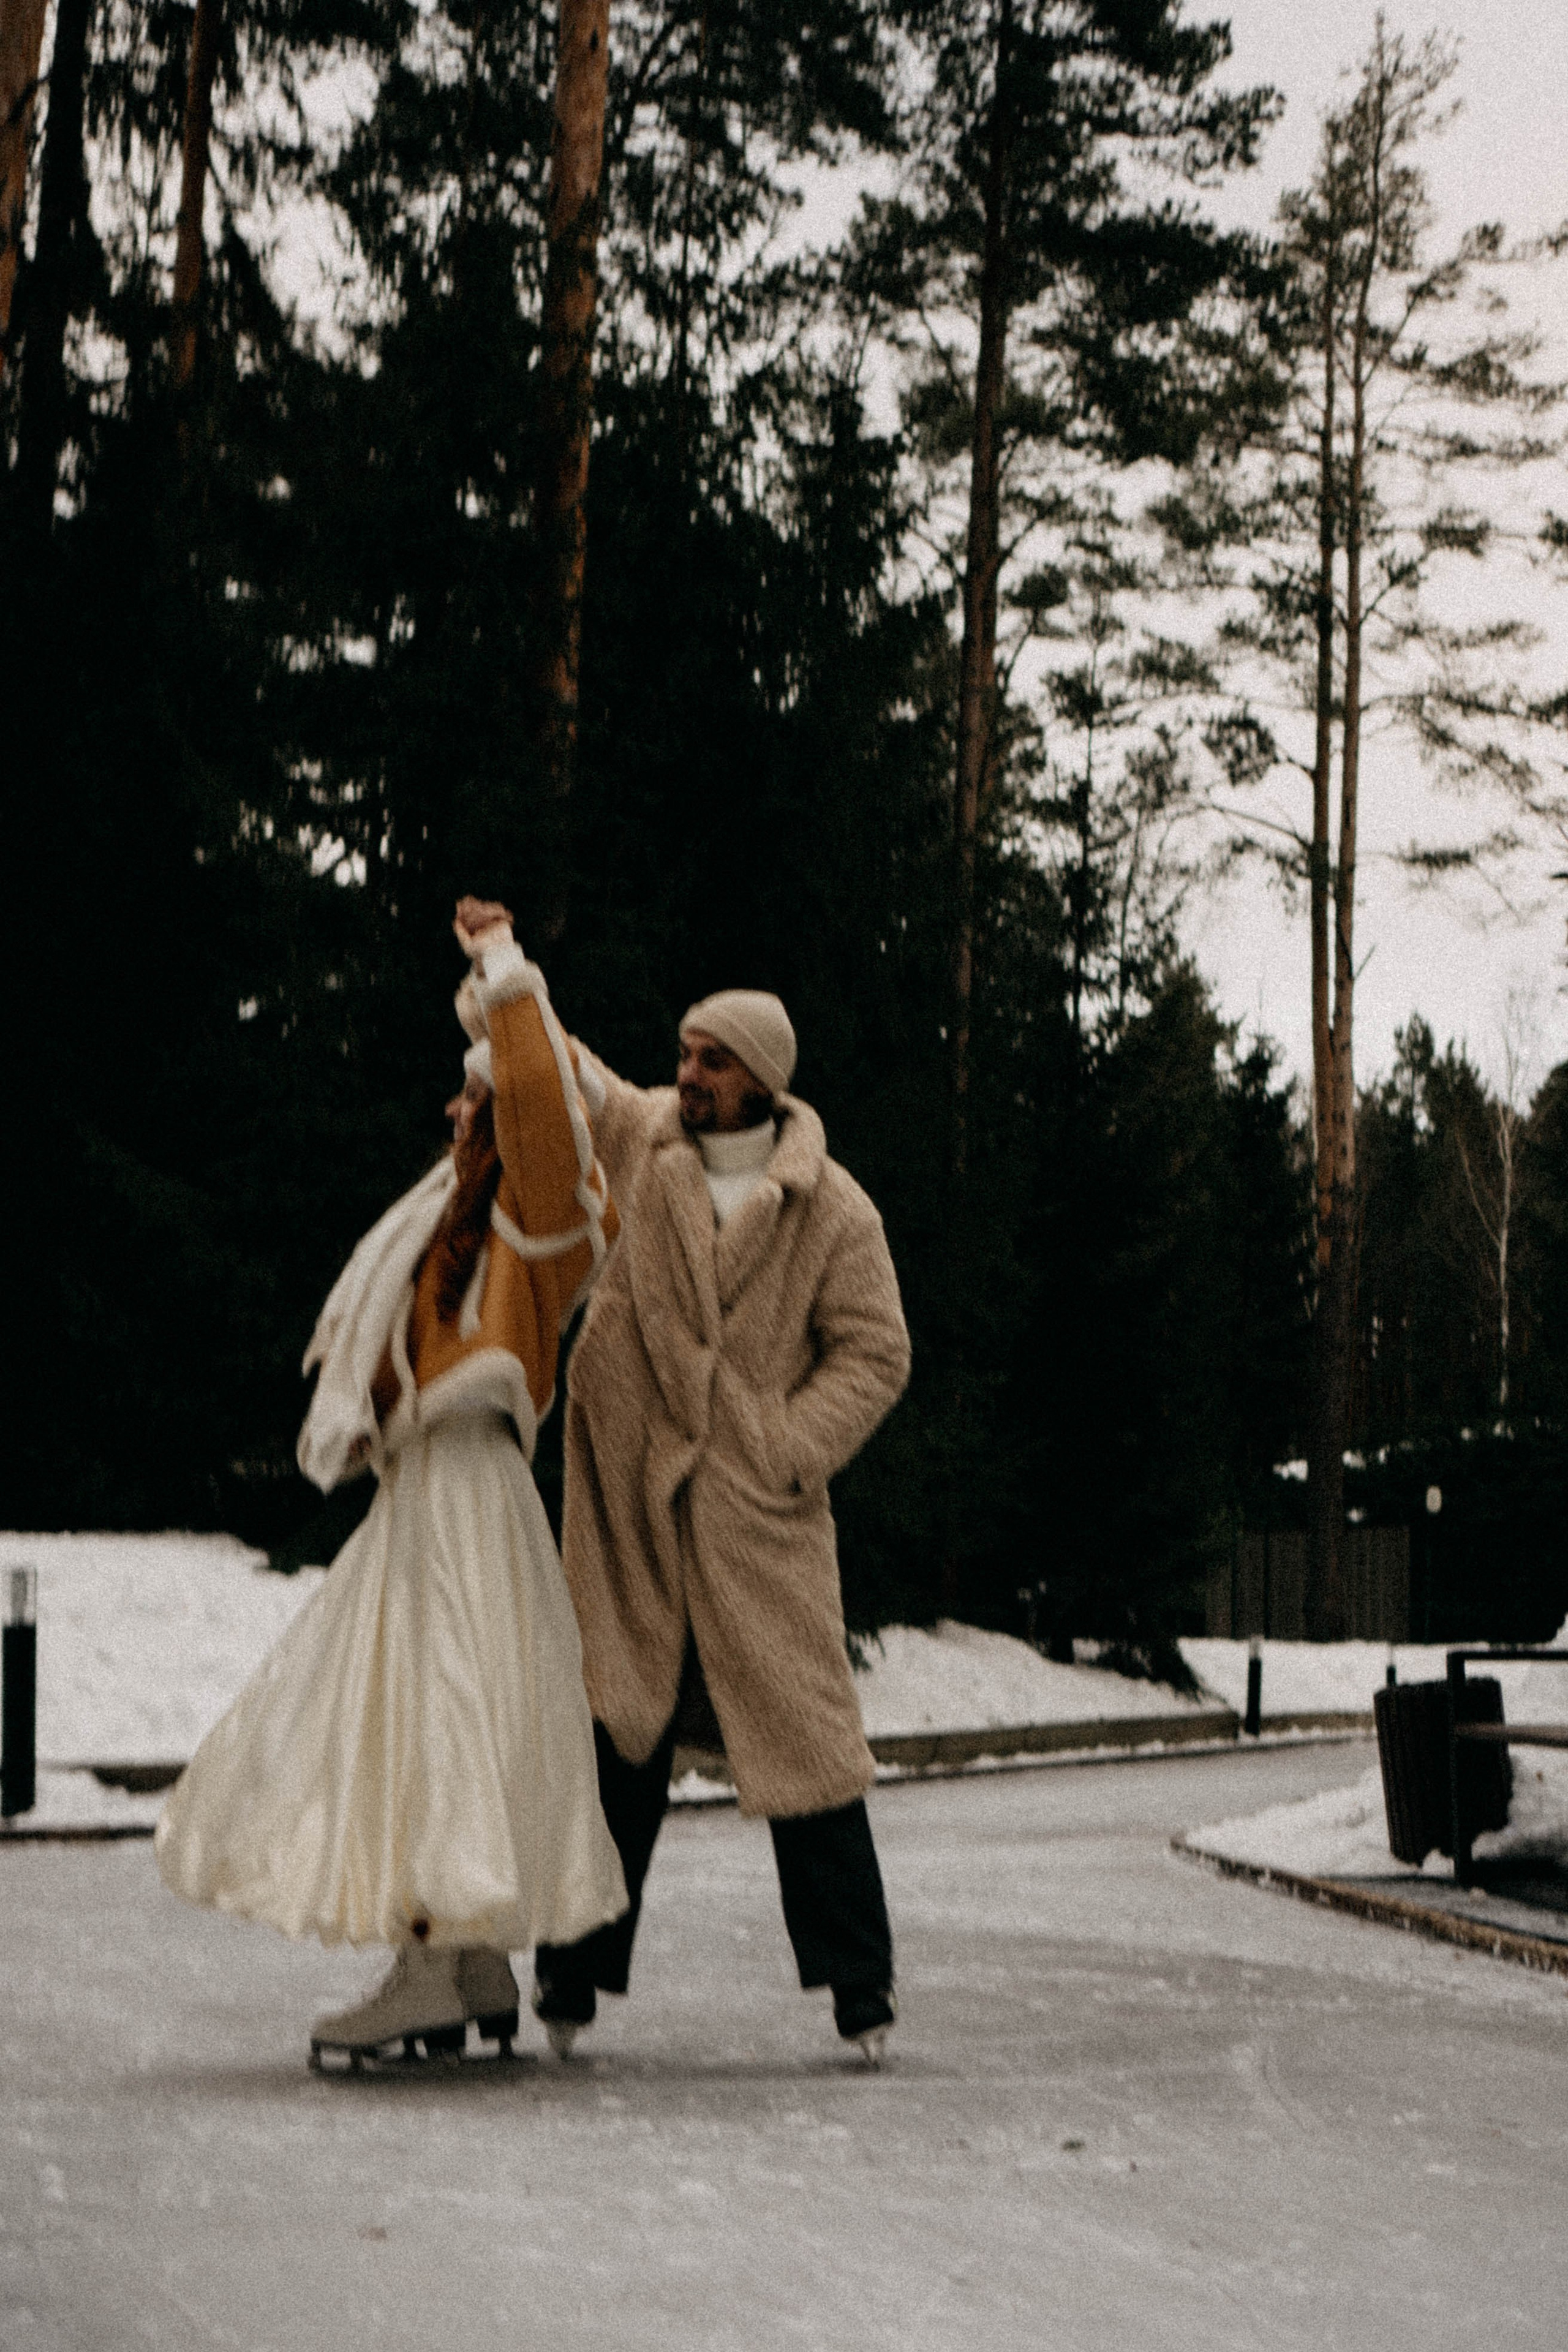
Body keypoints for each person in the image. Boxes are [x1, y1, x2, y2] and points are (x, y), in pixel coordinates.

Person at [155, 900, 628, 2067]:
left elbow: (538, 1098)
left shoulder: (546, 1215)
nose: (456, 1109)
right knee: (425, 1709)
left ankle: (432, 1959)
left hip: (467, 1489)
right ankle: (470, 1964)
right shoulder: (454, 1221)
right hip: (435, 1489)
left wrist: (502, 967)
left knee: (430, 1711)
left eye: (474, 1096)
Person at [516, 960, 913, 2066]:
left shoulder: (831, 1208)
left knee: (809, 1755)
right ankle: (568, 1983)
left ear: (762, 1081)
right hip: (635, 1508)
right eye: (686, 1056)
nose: (687, 1076)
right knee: (614, 1741)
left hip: (756, 1523)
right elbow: (572, 1077)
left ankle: (862, 1991)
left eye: (712, 1061)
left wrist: (787, 1448)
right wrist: (507, 974)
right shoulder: (647, 1145)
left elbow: (878, 1354)